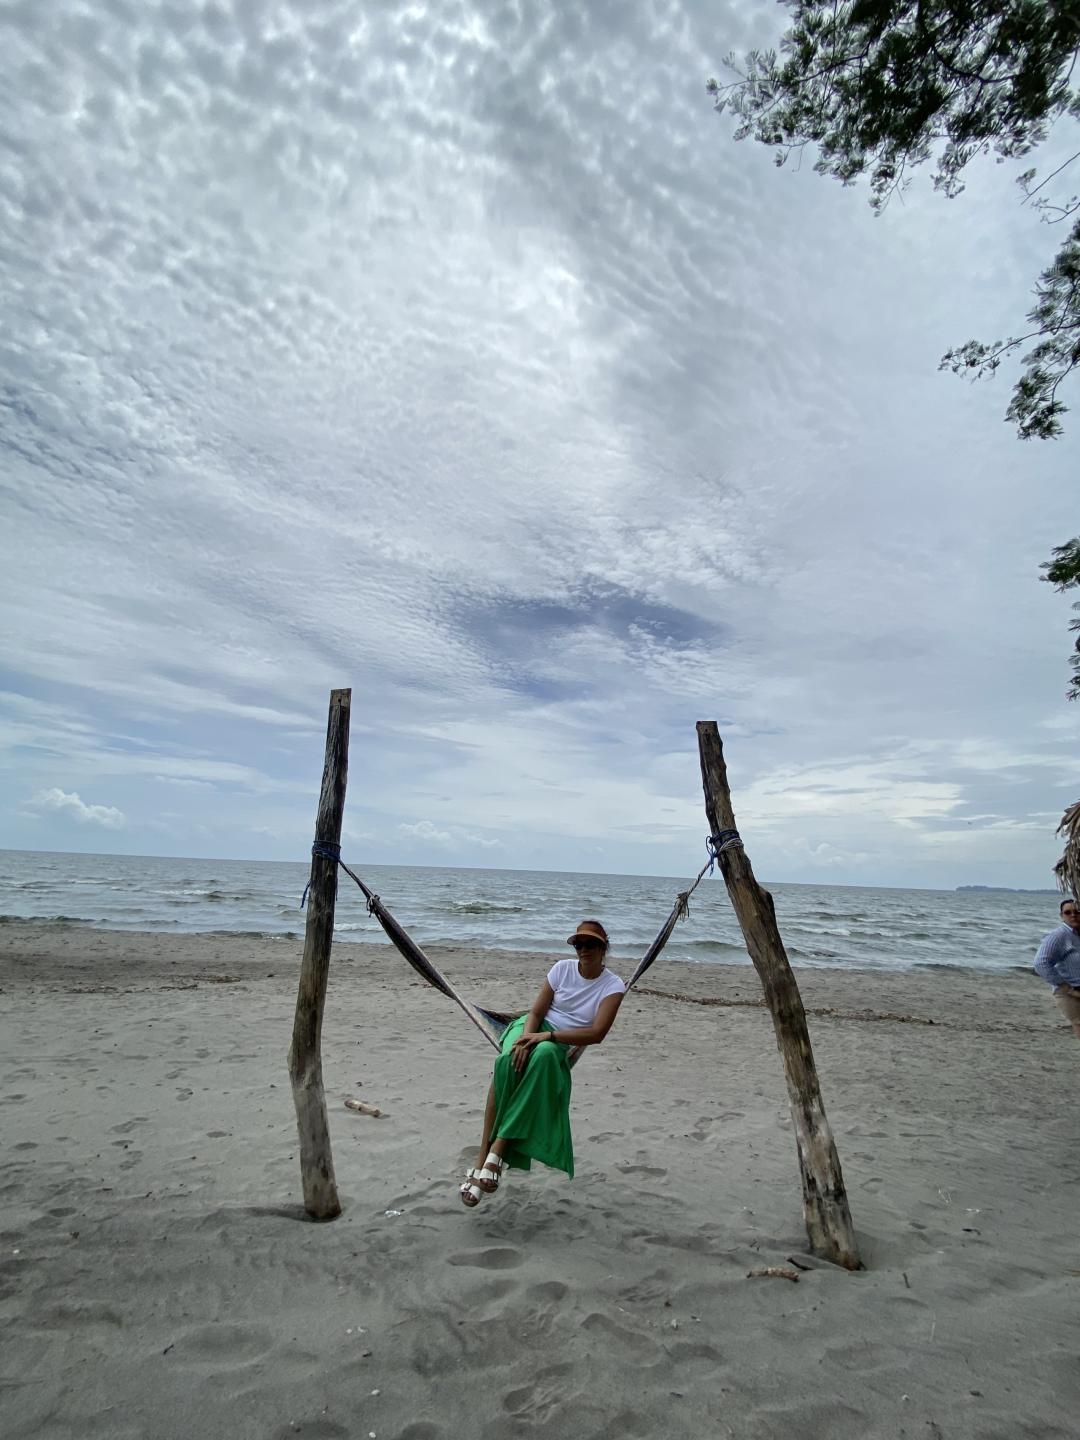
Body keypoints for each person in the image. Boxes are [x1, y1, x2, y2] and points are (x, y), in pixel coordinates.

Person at [460, 919, 626, 1206]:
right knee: (506, 1062)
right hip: (529, 1027)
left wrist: (547, 1037)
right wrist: (527, 1038)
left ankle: (498, 1148)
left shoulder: (613, 985)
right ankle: (484, 1157)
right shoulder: (561, 969)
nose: (584, 949)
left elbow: (597, 1033)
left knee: (546, 1055)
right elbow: (536, 1012)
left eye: (591, 944)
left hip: (559, 1039)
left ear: (604, 948)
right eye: (579, 944)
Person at [1033, 897, 1080, 1038]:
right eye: (1068, 912)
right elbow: (1041, 963)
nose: (1073, 915)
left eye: (1077, 911)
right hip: (1071, 992)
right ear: (1061, 916)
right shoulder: (1058, 936)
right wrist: (1066, 987)